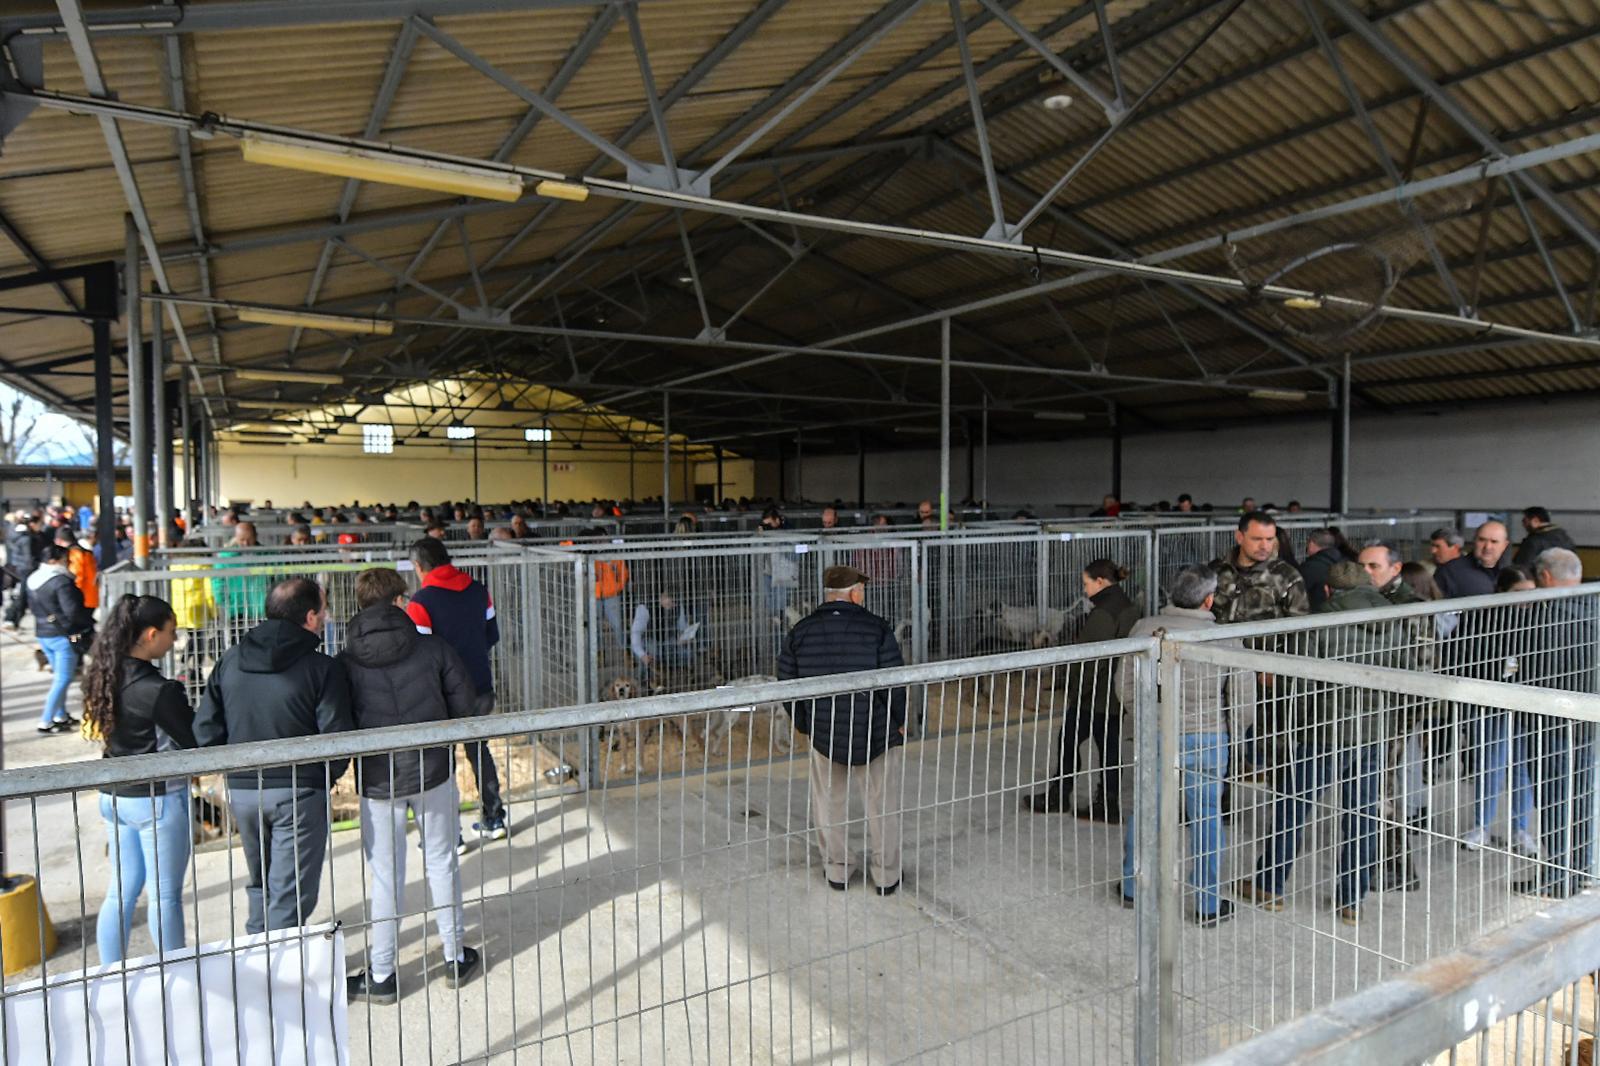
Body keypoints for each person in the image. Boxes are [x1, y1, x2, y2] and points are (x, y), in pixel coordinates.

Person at [340, 568, 482, 1002]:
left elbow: (338, 719)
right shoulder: (433, 648)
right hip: (432, 771)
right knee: (441, 861)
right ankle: (455, 956)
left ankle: (382, 975)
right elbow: (465, 704)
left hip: (377, 780)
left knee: (386, 874)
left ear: (362, 605)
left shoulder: (344, 662)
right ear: (400, 602)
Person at [194, 578, 356, 933]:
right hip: (299, 790)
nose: (326, 617)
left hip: (243, 790)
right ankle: (278, 980)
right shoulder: (322, 668)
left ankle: (256, 957)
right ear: (311, 617)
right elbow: (338, 738)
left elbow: (205, 731)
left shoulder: (230, 660)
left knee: (261, 881)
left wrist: (233, 767)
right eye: (324, 610)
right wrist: (322, 780)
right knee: (290, 894)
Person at [1237, 562, 1391, 925]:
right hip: (1373, 733)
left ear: (1327, 592)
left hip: (1322, 734)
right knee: (1363, 817)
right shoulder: (1394, 622)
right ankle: (1352, 899)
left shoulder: (1318, 625)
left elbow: (1298, 683)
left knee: (1292, 810)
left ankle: (1269, 886)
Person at [1117, 565, 1249, 926]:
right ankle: (1207, 904)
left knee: (1147, 807)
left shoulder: (1144, 628)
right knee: (1206, 815)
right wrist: (1232, 736)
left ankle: (1133, 887)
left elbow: (1125, 686)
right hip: (1207, 737)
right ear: (1209, 599)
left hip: (1156, 732)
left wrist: (1147, 718)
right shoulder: (1225, 637)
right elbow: (1241, 701)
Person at [81, 595, 197, 964]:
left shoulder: (103, 675)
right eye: (171, 632)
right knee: (166, 896)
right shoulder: (160, 690)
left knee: (121, 891)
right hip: (158, 798)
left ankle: (110, 972)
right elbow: (193, 739)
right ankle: (175, 976)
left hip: (114, 796)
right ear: (150, 635)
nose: (173, 639)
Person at [780, 565, 907, 894]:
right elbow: (893, 681)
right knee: (882, 803)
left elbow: (787, 683)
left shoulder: (801, 631)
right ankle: (885, 876)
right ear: (854, 594)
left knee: (828, 802)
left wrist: (804, 722)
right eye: (861, 590)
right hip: (874, 730)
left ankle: (837, 870)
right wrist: (899, 720)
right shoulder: (877, 628)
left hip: (824, 730)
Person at [406, 538, 507, 845]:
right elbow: (492, 635)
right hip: (480, 686)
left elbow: (418, 653)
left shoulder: (421, 601)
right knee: (479, 749)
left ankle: (451, 835)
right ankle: (494, 818)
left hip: (441, 693)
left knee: (442, 761)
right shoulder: (479, 590)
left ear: (419, 567)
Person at [1024, 560, 1142, 819]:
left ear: (1100, 582)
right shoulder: (1130, 607)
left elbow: (1089, 660)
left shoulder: (1103, 614)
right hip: (1118, 692)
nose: (1085, 590)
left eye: (1086, 584)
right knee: (1110, 747)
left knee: (1068, 740)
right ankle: (1108, 803)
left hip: (1094, 696)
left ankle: (1059, 795)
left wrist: (1075, 690)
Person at [1515, 548, 1596, 899]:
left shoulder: (1541, 619)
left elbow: (1527, 669)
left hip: (1547, 723)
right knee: (1580, 797)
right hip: (1587, 722)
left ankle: (1557, 876)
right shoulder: (1596, 606)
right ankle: (1579, 872)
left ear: (1545, 577)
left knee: (1552, 799)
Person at [28, 544, 93, 733]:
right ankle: (46, 719)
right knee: (63, 679)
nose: (68, 563)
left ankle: (60, 715)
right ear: (55, 560)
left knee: (59, 677)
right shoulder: (61, 582)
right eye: (66, 559)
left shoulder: (33, 579)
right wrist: (84, 626)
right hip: (63, 635)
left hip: (43, 634)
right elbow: (72, 611)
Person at [1210, 511, 1311, 624]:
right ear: (1239, 537)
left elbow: (1301, 629)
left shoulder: (1287, 576)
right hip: (1218, 641)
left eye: (1269, 539)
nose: (1264, 546)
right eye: (1257, 539)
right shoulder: (1215, 570)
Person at [1433, 520, 1509, 599]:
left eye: (1494, 542)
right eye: (1482, 540)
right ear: (1474, 540)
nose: (1487, 547)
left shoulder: (1509, 571)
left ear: (1505, 545)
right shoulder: (1449, 572)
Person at [3, 511, 44, 628]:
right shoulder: (27, 538)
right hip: (28, 568)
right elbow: (28, 556)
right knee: (24, 595)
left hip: (20, 566)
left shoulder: (16, 533)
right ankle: (11, 618)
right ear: (32, 524)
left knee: (24, 595)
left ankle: (12, 618)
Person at [54, 524, 98, 612]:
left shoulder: (75, 553)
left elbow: (77, 575)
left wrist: (71, 593)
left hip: (83, 597)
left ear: (58, 541)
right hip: (88, 595)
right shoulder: (83, 552)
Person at [594, 546, 630, 652]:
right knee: (596, 626)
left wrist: (617, 587)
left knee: (617, 624)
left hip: (612, 595)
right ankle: (598, 652)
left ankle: (624, 651)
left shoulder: (616, 559)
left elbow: (624, 574)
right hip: (595, 596)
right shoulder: (594, 558)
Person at [1297, 529, 1343, 612]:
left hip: (1316, 616)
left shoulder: (1309, 568)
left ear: (1311, 543)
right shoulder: (1343, 562)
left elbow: (1297, 593)